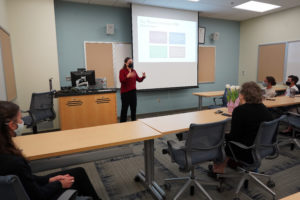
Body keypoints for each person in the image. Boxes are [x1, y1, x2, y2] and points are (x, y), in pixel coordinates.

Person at [0, 101, 100, 200]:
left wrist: (48, 179)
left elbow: (25, 178)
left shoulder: (5, 153)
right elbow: (38, 195)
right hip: (38, 195)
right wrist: (59, 184)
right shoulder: (15, 162)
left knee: (78, 172)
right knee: (76, 178)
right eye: (20, 119)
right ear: (12, 125)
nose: (23, 122)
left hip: (17, 192)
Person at [211, 82, 273, 174]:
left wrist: (222, 135)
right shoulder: (264, 108)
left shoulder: (240, 111)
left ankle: (218, 169)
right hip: (263, 148)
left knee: (220, 140)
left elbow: (233, 137)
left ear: (242, 95)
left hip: (246, 150)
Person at [119, 57, 146, 122]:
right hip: (125, 93)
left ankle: (133, 122)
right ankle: (122, 123)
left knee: (133, 109)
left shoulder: (134, 71)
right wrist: (127, 77)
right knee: (124, 109)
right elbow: (121, 80)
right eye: (129, 62)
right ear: (125, 63)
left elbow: (139, 80)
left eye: (132, 62)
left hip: (133, 93)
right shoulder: (122, 71)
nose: (131, 63)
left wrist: (143, 77)